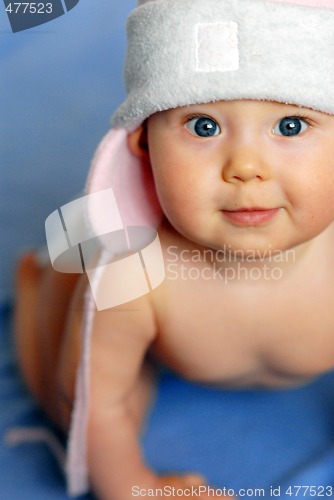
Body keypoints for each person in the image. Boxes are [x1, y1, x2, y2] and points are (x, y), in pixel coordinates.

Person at [14, 0, 334, 498]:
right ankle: (36, 284)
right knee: (68, 392)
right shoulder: (134, 275)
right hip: (94, 269)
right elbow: (98, 405)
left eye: (290, 126)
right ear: (143, 143)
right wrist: (136, 487)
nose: (246, 167)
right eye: (202, 126)